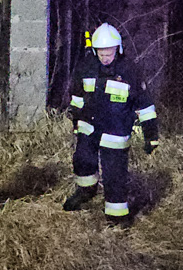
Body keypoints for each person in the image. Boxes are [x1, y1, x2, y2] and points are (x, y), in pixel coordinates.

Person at [64, 22, 159, 228]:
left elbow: (145, 105)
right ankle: (86, 191)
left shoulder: (130, 71)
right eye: (101, 53)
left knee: (114, 175)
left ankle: (117, 217)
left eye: (109, 53)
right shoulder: (86, 67)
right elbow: (77, 96)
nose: (105, 57)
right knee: (82, 160)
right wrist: (76, 121)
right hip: (88, 126)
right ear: (95, 50)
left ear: (118, 49)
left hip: (115, 132)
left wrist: (151, 136)